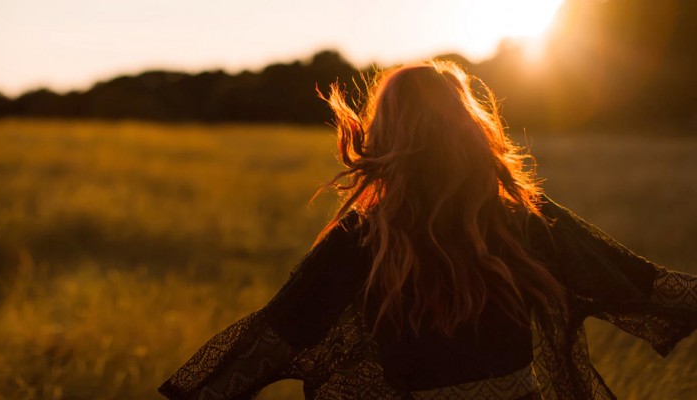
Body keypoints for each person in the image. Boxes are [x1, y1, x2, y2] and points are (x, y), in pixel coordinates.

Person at [159, 61, 696, 399]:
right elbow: (642, 285)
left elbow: (272, 337)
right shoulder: (520, 217)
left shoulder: (363, 238)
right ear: (467, 129)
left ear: (387, 134)